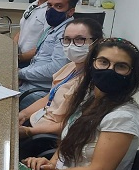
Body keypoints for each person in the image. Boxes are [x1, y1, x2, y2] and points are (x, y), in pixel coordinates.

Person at [20, 37, 139, 170]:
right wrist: (50, 163)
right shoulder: (90, 98)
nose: (110, 70)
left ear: (131, 73)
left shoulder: (123, 117)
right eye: (103, 62)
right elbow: (69, 138)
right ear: (92, 63)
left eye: (121, 66)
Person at [18, 19, 104, 159]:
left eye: (79, 39)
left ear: (96, 42)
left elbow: (71, 124)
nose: (71, 45)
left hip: (46, 137)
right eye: (67, 39)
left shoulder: (92, 83)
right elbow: (49, 98)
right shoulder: (71, 66)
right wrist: (23, 114)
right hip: (36, 122)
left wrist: (29, 131)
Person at [18, 0, 79, 110]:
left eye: (59, 6)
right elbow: (39, 58)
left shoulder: (67, 33)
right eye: (50, 5)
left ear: (71, 11)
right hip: (30, 83)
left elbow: (56, 69)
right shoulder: (53, 27)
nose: (52, 10)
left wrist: (21, 73)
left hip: (39, 92)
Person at [14, 0, 59, 67]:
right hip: (18, 57)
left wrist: (19, 58)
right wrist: (12, 50)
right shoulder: (33, 5)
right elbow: (22, 30)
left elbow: (45, 46)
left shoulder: (51, 11)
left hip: (31, 62)